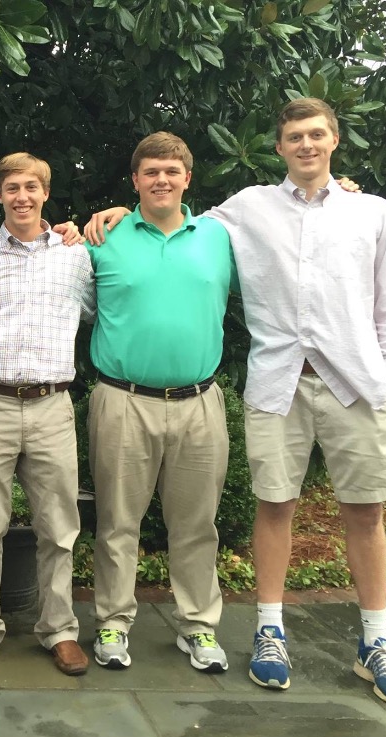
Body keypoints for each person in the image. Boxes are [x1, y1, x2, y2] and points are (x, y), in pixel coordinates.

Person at [85, 98, 386, 704]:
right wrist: (115, 214)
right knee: (267, 505)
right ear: (278, 147)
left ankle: (372, 640)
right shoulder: (244, 211)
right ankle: (259, 631)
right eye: (294, 137)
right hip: (266, 384)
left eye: (316, 135)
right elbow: (159, 221)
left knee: (361, 513)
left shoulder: (368, 212)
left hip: (352, 384)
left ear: (334, 140)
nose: (306, 145)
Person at [85, 133, 235, 674]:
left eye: (171, 171)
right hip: (123, 399)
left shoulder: (220, 236)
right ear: (135, 180)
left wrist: (341, 189)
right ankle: (112, 621)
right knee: (117, 522)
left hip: (199, 401)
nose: (161, 180)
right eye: (151, 172)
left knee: (197, 524)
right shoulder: (102, 237)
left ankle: (198, 626)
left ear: (188, 178)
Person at [0, 152, 95, 676]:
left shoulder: (76, 257)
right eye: (12, 188)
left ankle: (59, 630)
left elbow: (97, 310)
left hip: (52, 405)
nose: (22, 196)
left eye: (32, 186)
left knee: (59, 527)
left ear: (46, 192)